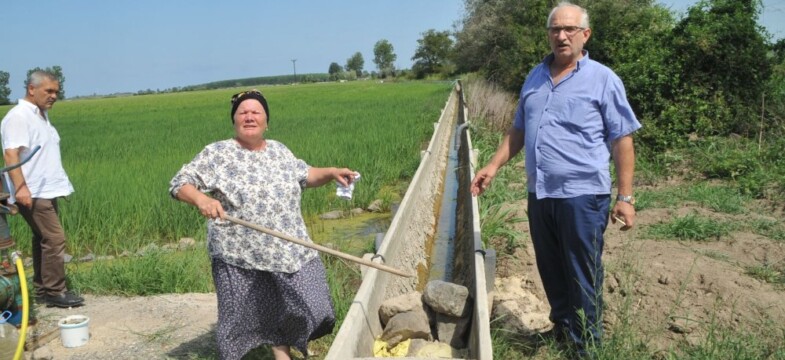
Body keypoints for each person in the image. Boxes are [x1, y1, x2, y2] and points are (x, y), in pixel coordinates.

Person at [470, 2, 641, 354]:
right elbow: (518, 131)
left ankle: (586, 348)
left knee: (582, 273)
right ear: (548, 34)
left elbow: (622, 139)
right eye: (555, 30)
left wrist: (625, 197)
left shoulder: (602, 79)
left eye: (569, 30)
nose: (561, 36)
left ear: (584, 35)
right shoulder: (535, 76)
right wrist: (493, 165)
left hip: (583, 194)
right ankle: (563, 332)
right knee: (550, 267)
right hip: (541, 192)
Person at [169, 89, 357, 360]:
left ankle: (282, 345)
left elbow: (305, 175)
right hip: (240, 253)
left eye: (256, 112)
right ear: (234, 120)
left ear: (266, 121)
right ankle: (276, 354)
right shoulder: (218, 153)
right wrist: (201, 200)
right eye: (242, 112)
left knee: (315, 306)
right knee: (238, 320)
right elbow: (179, 183)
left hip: (289, 248)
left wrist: (330, 173)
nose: (249, 116)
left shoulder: (279, 150)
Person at [1, 70, 84, 308]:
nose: (54, 96)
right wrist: (21, 189)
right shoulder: (19, 116)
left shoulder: (40, 115)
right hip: (33, 191)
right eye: (48, 91)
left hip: (46, 190)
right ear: (31, 89)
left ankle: (42, 290)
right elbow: (11, 154)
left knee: (43, 239)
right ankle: (56, 292)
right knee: (55, 238)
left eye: (56, 91)